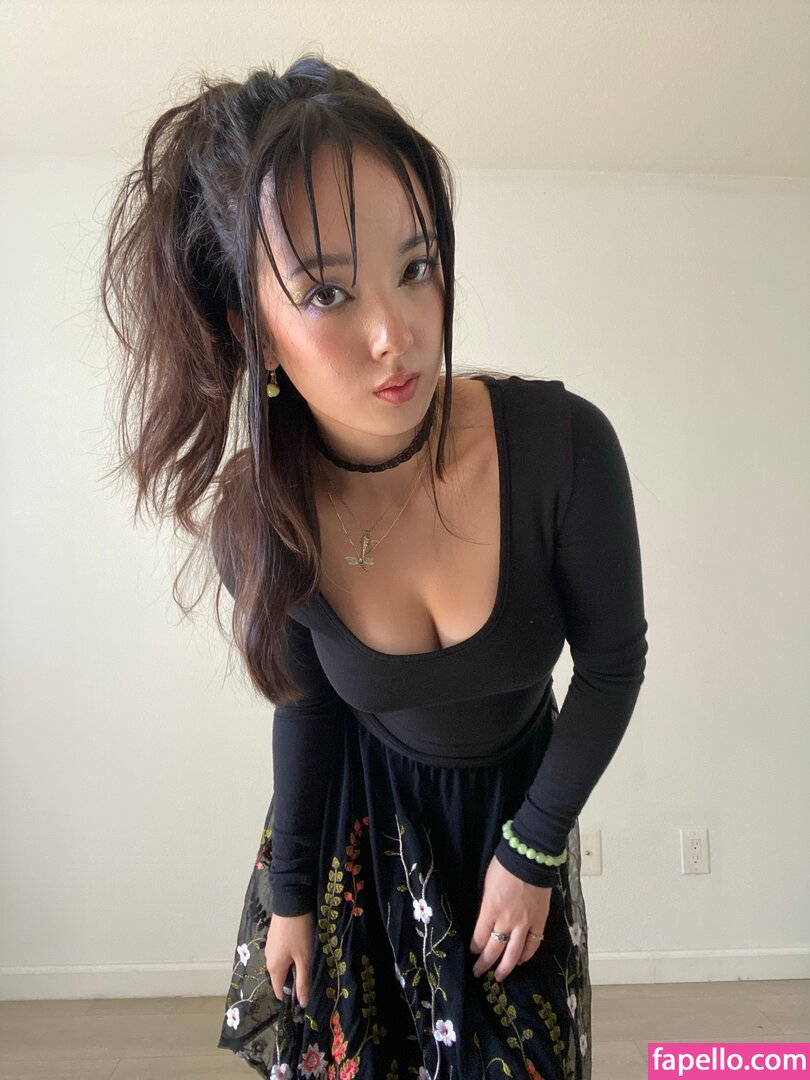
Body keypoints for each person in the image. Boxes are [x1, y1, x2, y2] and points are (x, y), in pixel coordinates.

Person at [100, 52, 647, 1080]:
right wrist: (291, 897)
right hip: (360, 843)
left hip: (519, 826)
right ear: (252, 331)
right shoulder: (264, 520)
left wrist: (534, 848)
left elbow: (613, 667)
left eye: (417, 266)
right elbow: (309, 708)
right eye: (326, 292)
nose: (396, 334)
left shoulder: (564, 451)